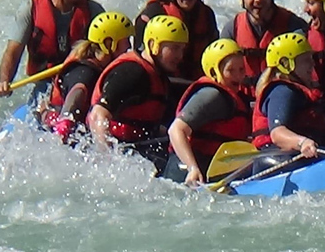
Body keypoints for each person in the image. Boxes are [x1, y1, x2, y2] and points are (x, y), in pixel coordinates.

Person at [0, 0, 105, 101]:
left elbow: (109, 52)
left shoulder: (94, 11)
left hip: (81, 82)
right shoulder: (31, 9)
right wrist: (4, 80)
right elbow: (13, 51)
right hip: (44, 86)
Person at [87, 15, 188, 169]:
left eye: (182, 49)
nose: (180, 56)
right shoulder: (132, 73)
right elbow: (98, 115)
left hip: (141, 154)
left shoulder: (160, 78)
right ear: (154, 45)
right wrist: (107, 159)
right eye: (174, 48)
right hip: (119, 156)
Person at [163, 39, 251, 186]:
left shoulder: (234, 97)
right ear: (213, 71)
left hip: (211, 176)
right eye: (230, 70)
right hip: (186, 176)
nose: (238, 76)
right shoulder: (211, 95)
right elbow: (176, 130)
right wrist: (192, 168)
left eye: (241, 69)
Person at [39, 12, 134, 142]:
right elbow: (78, 92)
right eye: (126, 41)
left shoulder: (99, 66)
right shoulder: (85, 71)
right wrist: (66, 121)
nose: (129, 47)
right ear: (108, 44)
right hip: (53, 127)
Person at [220, 0, 308, 97]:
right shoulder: (231, 29)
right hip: (243, 98)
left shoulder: (293, 25)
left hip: (281, 97)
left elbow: (306, 68)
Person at [134, 0, 218, 81]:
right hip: (164, 83)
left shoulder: (207, 15)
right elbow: (139, 59)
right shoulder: (153, 14)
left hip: (197, 85)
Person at [251, 33, 325, 158]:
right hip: (281, 160)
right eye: (306, 60)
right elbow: (277, 133)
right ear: (285, 64)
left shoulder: (296, 91)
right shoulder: (282, 91)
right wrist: (302, 142)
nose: (312, 64)